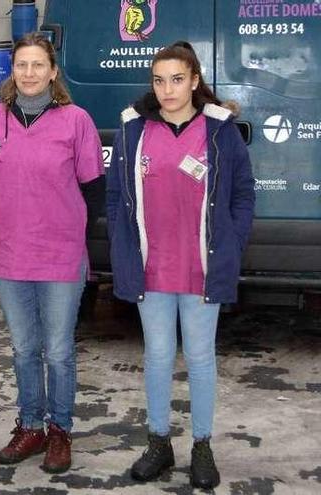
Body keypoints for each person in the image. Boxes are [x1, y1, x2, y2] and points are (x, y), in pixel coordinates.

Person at [107, 41, 255, 490]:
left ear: (194, 81)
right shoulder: (134, 130)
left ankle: (202, 446)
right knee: (155, 357)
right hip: (151, 269)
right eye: (159, 80)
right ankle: (158, 443)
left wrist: (231, 241)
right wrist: (121, 241)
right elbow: (116, 196)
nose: (167, 89)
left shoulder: (219, 131)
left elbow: (244, 194)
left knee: (200, 358)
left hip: (201, 270)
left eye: (177, 79)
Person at [0, 33, 104, 474]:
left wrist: (76, 238)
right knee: (25, 347)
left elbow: (93, 190)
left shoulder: (76, 121)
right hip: (9, 256)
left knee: (59, 350)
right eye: (20, 65)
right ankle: (31, 426)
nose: (28, 73)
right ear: (12, 71)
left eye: (36, 65)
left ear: (52, 70)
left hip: (60, 256)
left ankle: (60, 431)